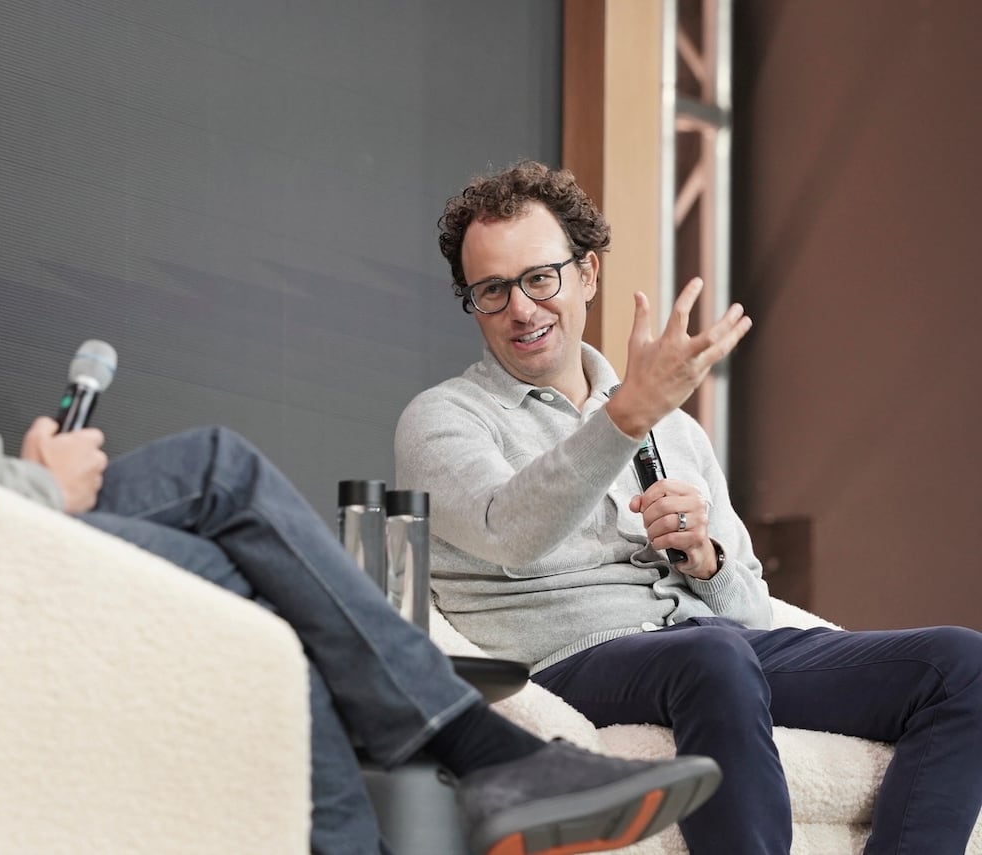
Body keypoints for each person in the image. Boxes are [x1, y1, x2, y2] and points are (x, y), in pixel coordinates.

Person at [0, 4, 725, 854]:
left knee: (256, 583)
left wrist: (10, 475)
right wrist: (39, 487)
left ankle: (465, 780)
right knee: (222, 477)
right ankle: (487, 757)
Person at [394, 159, 982, 854]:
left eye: (539, 278)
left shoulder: (674, 427)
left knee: (959, 663)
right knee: (710, 654)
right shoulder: (443, 418)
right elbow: (508, 529)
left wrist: (708, 560)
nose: (520, 307)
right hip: (571, 659)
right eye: (491, 290)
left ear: (587, 274)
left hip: (710, 647)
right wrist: (627, 415)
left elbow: (750, 615)